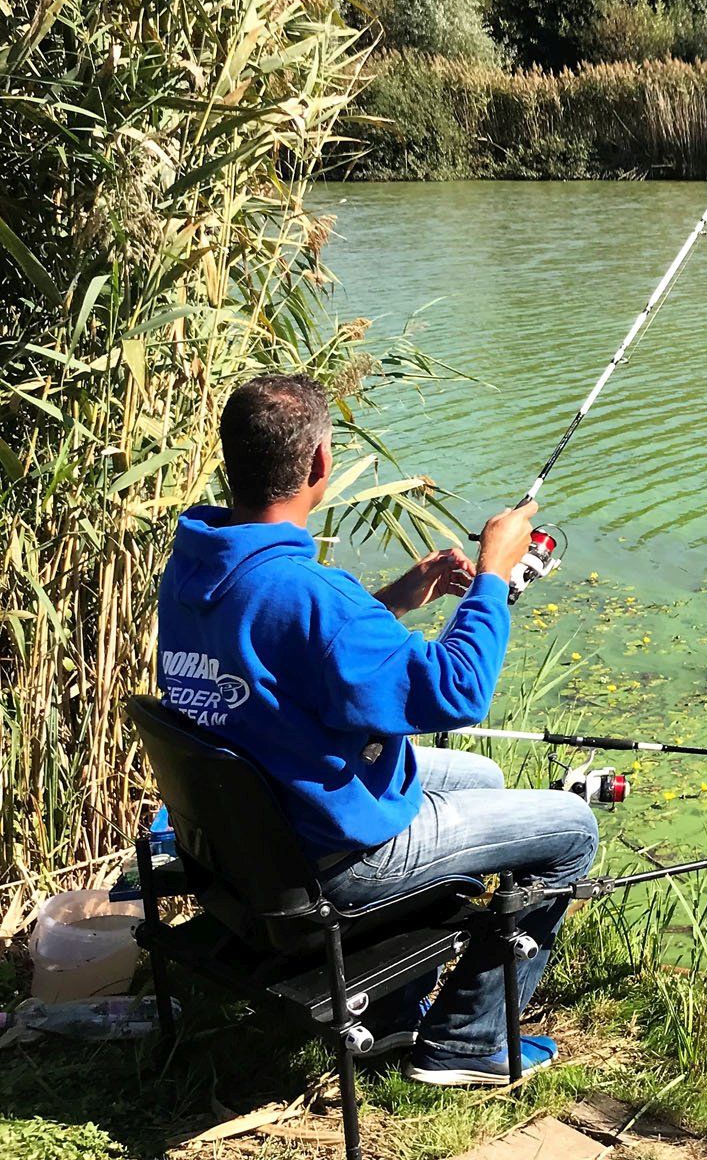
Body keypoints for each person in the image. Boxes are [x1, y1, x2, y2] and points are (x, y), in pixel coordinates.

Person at [155, 373, 597, 1086]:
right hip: (334, 857)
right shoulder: (307, 593)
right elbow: (456, 692)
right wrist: (493, 575)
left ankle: (393, 1009)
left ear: (231, 460)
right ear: (321, 465)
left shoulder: (194, 567)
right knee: (573, 827)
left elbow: (290, 649)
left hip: (261, 833)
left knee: (481, 776)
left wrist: (393, 598)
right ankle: (467, 1042)